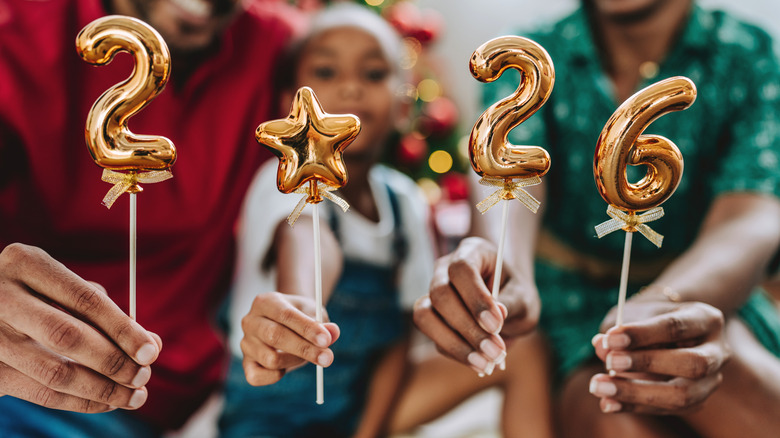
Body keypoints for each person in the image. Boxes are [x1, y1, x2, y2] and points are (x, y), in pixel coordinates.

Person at [414, 0, 780, 437]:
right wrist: (503, 266)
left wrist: (666, 302)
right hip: (565, 310)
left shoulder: (746, 53)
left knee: (739, 378)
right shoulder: (532, 52)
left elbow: (751, 216)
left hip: (704, 292)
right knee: (613, 414)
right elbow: (506, 179)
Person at [219, 4, 555, 438]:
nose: (351, 88)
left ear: (403, 106)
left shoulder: (405, 201)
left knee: (523, 349)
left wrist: (368, 431)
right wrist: (303, 304)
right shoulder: (282, 182)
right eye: (326, 72)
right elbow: (305, 239)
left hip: (360, 402)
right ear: (288, 105)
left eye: (374, 75)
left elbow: (397, 339)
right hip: (267, 407)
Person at [0, 0, 300, 436]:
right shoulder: (16, 31)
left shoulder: (285, 50)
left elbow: (316, 210)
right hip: (24, 382)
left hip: (174, 400)